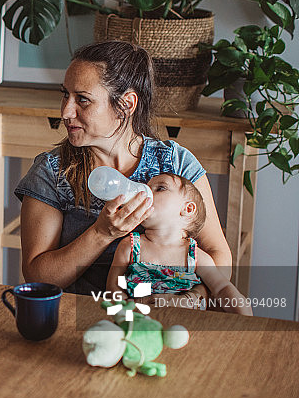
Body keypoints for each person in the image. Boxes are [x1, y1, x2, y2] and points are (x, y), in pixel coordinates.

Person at [14, 41, 232, 304]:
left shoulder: (175, 164)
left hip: (172, 317)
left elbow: (218, 255)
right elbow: (38, 278)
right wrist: (102, 233)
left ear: (126, 104)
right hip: (83, 316)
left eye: (82, 99)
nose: (65, 111)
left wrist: (193, 296)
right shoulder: (52, 171)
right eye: (65, 95)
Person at [106, 173, 252, 315]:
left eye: (160, 188)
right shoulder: (130, 247)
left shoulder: (195, 256)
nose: (147, 193)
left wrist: (245, 317)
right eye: (146, 188)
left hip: (184, 325)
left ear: (187, 209)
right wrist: (128, 310)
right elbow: (113, 287)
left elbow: (221, 287)